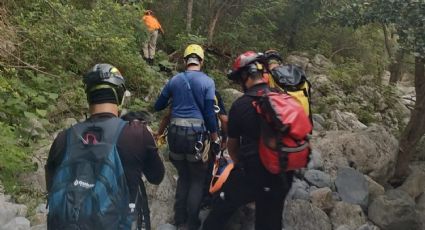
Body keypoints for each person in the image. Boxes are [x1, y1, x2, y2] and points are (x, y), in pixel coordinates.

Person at [46, 64, 165, 230]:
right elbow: (156, 176)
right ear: (120, 96)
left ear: (88, 96)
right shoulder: (136, 133)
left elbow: (51, 187)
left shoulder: (63, 138)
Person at [202, 51, 294, 230]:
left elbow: (233, 147)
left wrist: (239, 167)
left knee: (220, 210)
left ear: (246, 76)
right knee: (270, 220)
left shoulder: (241, 105)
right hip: (284, 173)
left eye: (239, 79)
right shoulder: (283, 98)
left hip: (253, 172)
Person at [154, 44, 220, 230]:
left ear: (185, 61)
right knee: (197, 179)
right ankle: (192, 223)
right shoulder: (208, 82)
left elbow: (158, 106)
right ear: (201, 61)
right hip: (196, 138)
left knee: (183, 176)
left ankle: (179, 218)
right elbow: (209, 114)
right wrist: (215, 138)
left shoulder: (174, 80)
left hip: (175, 137)